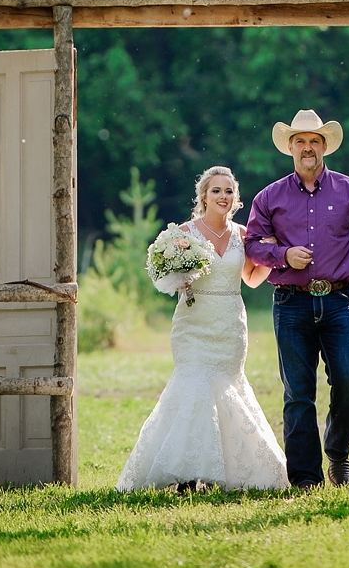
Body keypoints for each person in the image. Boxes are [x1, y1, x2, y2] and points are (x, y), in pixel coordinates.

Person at [245, 109, 349, 490]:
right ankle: (305, 479)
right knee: (298, 392)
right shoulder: (269, 197)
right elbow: (251, 245)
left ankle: (338, 451)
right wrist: (283, 255)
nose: (307, 148)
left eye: (314, 141)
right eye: (300, 141)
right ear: (290, 148)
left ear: (325, 146)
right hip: (290, 302)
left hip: (340, 300)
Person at [116, 166, 289, 492]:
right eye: (216, 191)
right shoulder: (183, 234)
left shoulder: (243, 235)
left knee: (225, 389)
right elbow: (160, 276)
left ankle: (218, 470)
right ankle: (186, 474)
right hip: (193, 324)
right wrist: (178, 278)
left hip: (230, 323)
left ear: (236, 199)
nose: (222, 196)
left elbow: (251, 279)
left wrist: (271, 255)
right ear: (204, 196)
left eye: (228, 191)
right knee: (193, 386)